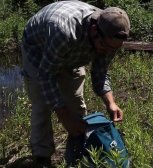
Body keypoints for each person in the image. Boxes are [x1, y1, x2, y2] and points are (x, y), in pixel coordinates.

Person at [20, 0, 130, 167]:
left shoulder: (110, 34)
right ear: (94, 30)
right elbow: (46, 75)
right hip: (38, 50)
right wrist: (64, 117)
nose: (107, 52)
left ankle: (78, 152)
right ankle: (42, 157)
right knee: (42, 105)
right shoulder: (64, 31)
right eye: (105, 46)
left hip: (71, 54)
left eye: (113, 49)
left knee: (76, 106)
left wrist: (111, 103)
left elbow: (100, 72)